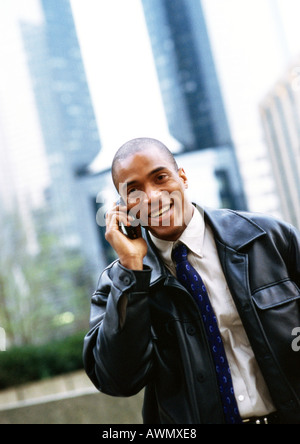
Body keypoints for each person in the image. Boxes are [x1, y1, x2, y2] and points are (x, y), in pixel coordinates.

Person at [83, 137, 300, 424]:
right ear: (123, 207)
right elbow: (118, 380)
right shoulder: (118, 282)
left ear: (182, 177)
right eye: (134, 191)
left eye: (160, 178)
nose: (152, 196)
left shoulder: (267, 238)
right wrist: (132, 270)